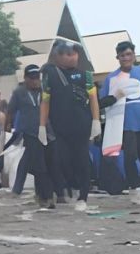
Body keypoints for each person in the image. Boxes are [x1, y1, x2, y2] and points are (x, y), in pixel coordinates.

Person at [40, 40, 100, 212]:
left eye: (74, 54)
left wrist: (96, 121)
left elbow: (94, 99)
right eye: (66, 54)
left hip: (82, 124)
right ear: (57, 56)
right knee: (63, 160)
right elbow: (45, 101)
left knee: (82, 159)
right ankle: (72, 186)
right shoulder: (49, 74)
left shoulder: (86, 75)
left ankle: (83, 196)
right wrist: (41, 126)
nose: (71, 57)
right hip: (60, 126)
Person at [100, 41, 140, 205]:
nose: (126, 58)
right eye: (122, 55)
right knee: (130, 158)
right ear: (117, 58)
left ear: (134, 55)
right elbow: (102, 101)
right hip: (125, 125)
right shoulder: (111, 78)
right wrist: (116, 97)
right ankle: (135, 188)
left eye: (128, 54)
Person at [9, 64, 58, 205]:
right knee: (38, 165)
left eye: (37, 78)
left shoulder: (45, 90)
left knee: (45, 164)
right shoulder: (19, 92)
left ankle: (41, 193)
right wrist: (9, 128)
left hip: (48, 132)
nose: (35, 81)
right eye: (32, 78)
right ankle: (47, 196)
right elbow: (11, 111)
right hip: (30, 133)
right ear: (25, 78)